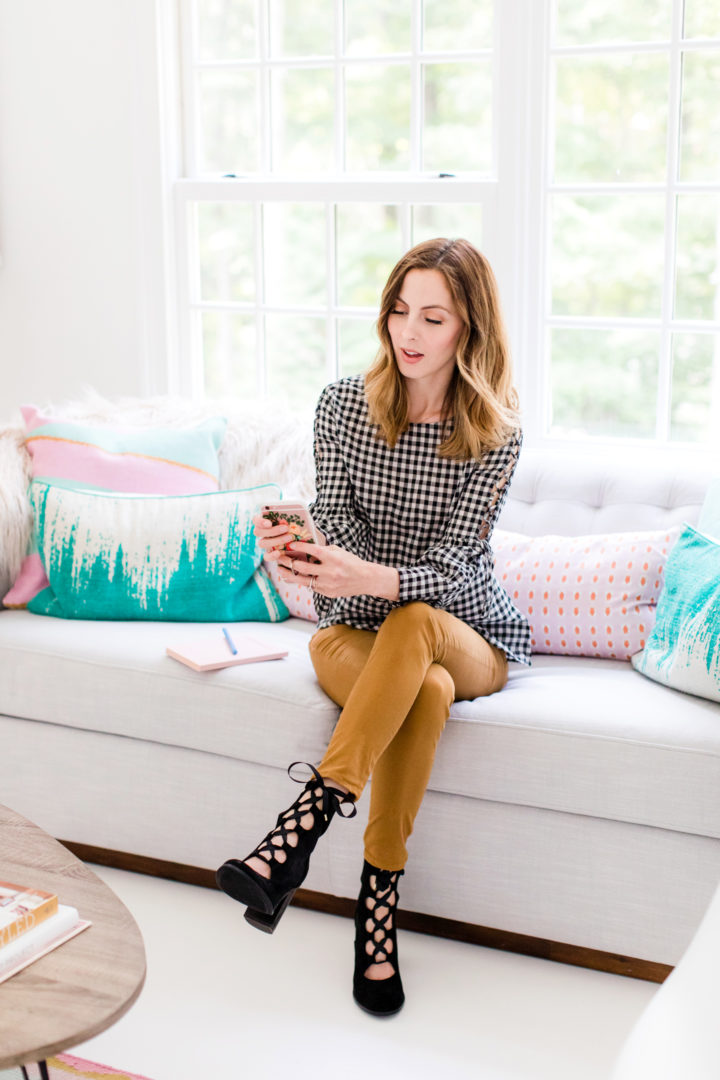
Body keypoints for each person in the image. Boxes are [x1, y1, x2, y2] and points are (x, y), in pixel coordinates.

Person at [216, 237, 531, 1017]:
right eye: (399, 310)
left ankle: (304, 821)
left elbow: (459, 568)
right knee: (419, 693)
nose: (409, 332)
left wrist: (376, 578)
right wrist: (306, 553)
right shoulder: (342, 406)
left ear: (471, 331)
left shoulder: (496, 432)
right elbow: (337, 527)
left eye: (433, 317)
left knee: (422, 624)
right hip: (353, 630)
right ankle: (377, 909)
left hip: (469, 635)